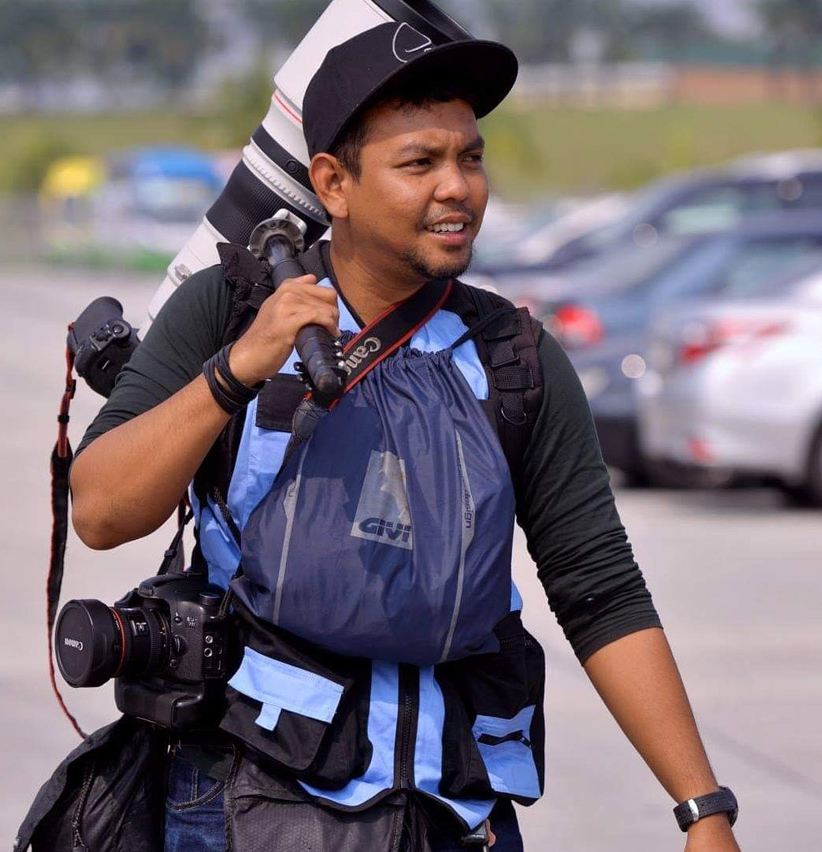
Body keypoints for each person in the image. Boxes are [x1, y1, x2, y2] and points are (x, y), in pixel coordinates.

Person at [66, 23, 741, 852]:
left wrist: (701, 809)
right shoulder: (228, 309)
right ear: (333, 183)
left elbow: (599, 589)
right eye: (420, 164)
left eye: (472, 158)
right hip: (243, 806)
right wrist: (237, 369)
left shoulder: (516, 359)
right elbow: (100, 511)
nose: (457, 188)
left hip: (455, 821)